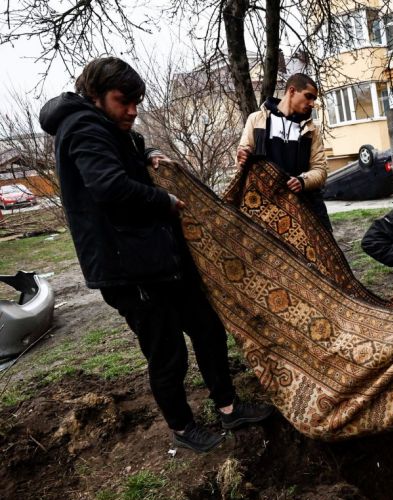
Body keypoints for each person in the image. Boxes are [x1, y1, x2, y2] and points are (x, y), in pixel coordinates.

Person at [39, 57, 273, 453]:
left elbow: (130, 154)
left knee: (207, 327)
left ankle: (229, 407)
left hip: (157, 257)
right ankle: (182, 427)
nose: (132, 110)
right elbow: (110, 187)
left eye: (137, 102)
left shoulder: (106, 126)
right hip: (128, 268)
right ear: (96, 95)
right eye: (123, 101)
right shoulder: (82, 126)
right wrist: (163, 199)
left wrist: (149, 153)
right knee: (167, 352)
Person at [236, 73, 330, 228]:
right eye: (308, 96)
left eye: (314, 99)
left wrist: (303, 181)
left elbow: (320, 170)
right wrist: (241, 157)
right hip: (266, 208)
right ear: (292, 91)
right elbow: (242, 159)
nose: (312, 104)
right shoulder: (257, 119)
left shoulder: (311, 130)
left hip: (304, 207)